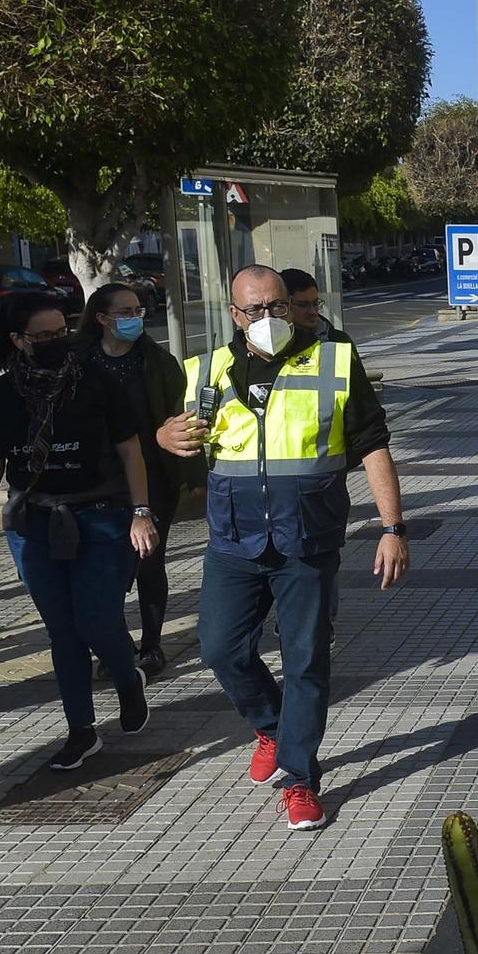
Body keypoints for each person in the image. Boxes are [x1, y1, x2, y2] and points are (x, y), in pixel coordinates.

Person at [155, 266, 409, 832]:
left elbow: (372, 445)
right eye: (254, 311)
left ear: (292, 306)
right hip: (233, 541)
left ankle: (299, 779)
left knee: (306, 662)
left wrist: (393, 528)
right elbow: (175, 439)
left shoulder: (334, 361)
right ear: (233, 312)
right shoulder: (205, 371)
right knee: (220, 648)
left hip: (307, 538)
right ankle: (269, 724)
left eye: (278, 307)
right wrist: (162, 437)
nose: (268, 319)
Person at [0, 292, 159, 770]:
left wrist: (141, 512)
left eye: (60, 332)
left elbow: (131, 452)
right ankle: (81, 731)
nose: (55, 342)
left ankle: (127, 677)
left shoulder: (97, 382)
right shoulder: (2, 397)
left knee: (96, 622)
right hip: (34, 524)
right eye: (42, 337)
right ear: (18, 341)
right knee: (62, 632)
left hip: (102, 516)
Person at [76, 283, 198, 676]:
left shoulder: (157, 361)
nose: (134, 319)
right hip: (97, 481)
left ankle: (151, 645)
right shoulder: (80, 361)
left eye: (138, 311)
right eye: (124, 312)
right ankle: (116, 644)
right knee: (106, 568)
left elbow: (179, 417)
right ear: (101, 318)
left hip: (153, 477)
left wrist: (189, 469)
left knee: (148, 560)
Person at [280, 267, 350, 345]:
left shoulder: (340, 341)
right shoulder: (274, 347)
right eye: (303, 305)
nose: (312, 311)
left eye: (315, 303)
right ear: (283, 306)